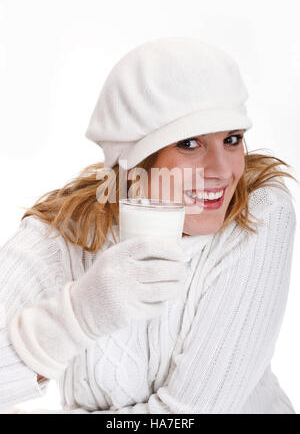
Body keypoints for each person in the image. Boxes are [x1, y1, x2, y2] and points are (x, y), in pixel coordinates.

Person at [0, 37, 298, 414]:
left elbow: (189, 417)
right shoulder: (65, 237)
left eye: (232, 139)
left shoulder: (258, 211)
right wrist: (77, 316)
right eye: (189, 143)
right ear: (135, 161)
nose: (224, 171)